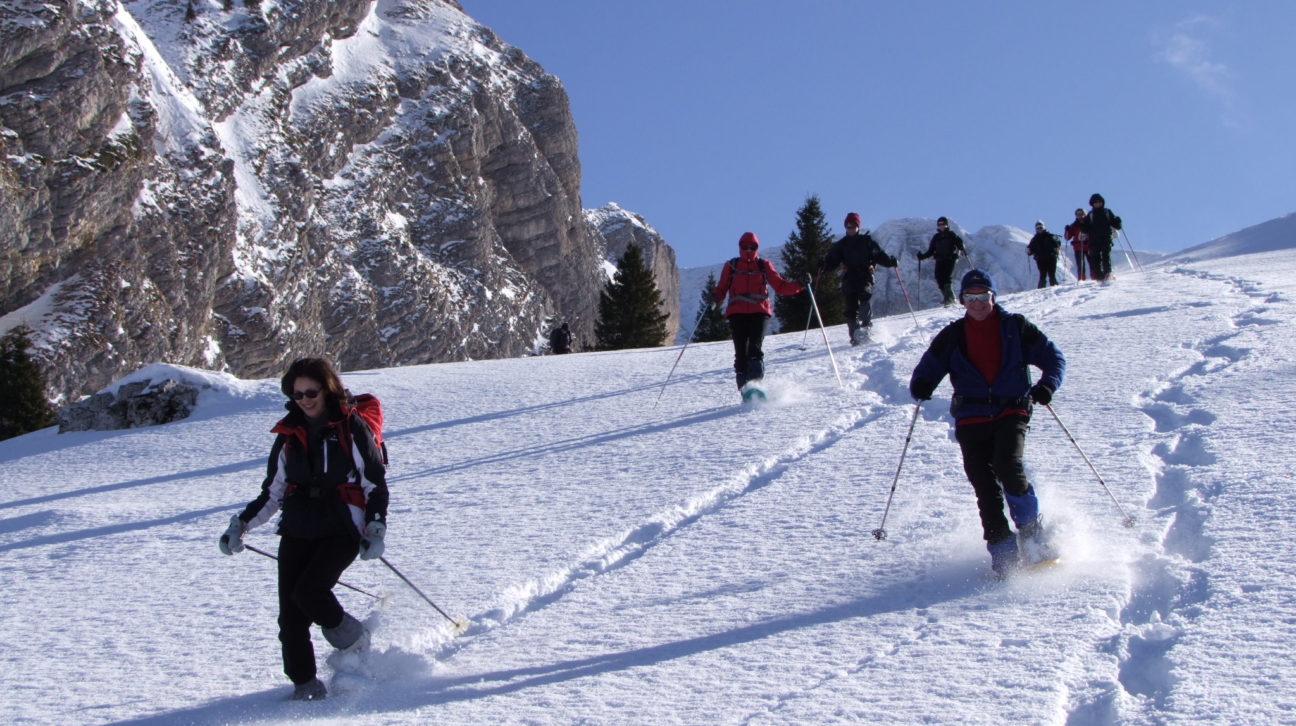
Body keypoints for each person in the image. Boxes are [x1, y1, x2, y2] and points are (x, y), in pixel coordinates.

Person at [218, 357, 389, 701]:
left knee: (310, 592)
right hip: (297, 526)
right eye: (298, 394)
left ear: (327, 389)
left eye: (311, 391)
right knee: (291, 617)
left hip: (342, 524)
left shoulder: (349, 427)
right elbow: (273, 491)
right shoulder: (288, 434)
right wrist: (241, 525)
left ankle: (353, 638)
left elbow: (374, 483)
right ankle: (305, 686)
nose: (305, 399)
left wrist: (375, 527)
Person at [908, 269, 1066, 578]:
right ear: (963, 301)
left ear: (993, 296)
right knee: (984, 485)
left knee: (1008, 465)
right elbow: (928, 367)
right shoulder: (952, 335)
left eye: (983, 296)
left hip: (1012, 410)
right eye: (971, 297)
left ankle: (1032, 534)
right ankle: (1003, 552)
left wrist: (1047, 385)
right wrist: (922, 384)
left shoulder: (1016, 328)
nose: (978, 303)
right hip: (971, 416)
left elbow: (1054, 358)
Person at [713, 232, 804, 390]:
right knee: (740, 353)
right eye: (745, 247)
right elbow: (721, 288)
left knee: (754, 347)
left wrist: (800, 284)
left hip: (759, 312)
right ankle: (745, 389)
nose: (748, 250)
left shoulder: (764, 265)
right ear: (740, 247)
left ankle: (755, 385)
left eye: (752, 247)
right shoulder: (731, 266)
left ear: (757, 247)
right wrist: (714, 298)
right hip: (737, 313)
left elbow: (780, 286)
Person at [818, 212, 898, 345]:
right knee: (850, 308)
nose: (851, 229)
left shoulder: (867, 242)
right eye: (848, 226)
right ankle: (855, 336)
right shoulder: (841, 245)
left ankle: (867, 330)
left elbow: (879, 255)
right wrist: (824, 266)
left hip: (865, 275)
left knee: (864, 297)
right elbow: (832, 261)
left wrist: (891, 261)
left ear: (858, 227)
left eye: (853, 226)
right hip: (850, 277)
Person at [916, 216, 966, 305]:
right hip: (939, 259)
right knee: (939, 278)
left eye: (943, 224)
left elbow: (959, 243)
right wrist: (922, 256)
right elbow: (931, 251)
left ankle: (950, 298)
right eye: (939, 224)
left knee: (946, 277)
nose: (941, 226)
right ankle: (947, 297)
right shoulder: (936, 237)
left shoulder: (951, 234)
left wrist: (961, 247)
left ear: (947, 225)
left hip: (950, 258)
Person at [1083, 193, 1122, 282]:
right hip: (1094, 240)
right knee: (1095, 258)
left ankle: (1107, 273)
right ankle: (1099, 276)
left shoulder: (1107, 212)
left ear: (1102, 202)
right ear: (1092, 204)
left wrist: (1118, 222)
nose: (1097, 204)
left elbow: (1116, 225)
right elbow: (1086, 228)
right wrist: (1084, 228)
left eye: (1099, 202)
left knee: (1105, 256)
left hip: (1106, 238)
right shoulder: (1090, 215)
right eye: (1095, 202)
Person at [1026, 220, 1062, 288]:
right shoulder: (1034, 239)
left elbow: (1058, 244)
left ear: (1044, 228)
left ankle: (1054, 288)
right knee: (1042, 275)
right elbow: (1030, 250)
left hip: (1051, 257)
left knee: (1052, 274)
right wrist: (1028, 250)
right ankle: (1042, 290)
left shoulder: (1050, 236)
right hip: (1040, 259)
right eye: (1038, 228)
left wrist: (1056, 242)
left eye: (1041, 227)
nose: (1039, 229)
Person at [1063, 208, 1089, 281]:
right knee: (1080, 265)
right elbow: (1067, 237)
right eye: (1078, 214)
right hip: (1078, 247)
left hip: (1088, 246)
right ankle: (1081, 280)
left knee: (1093, 263)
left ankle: (1095, 278)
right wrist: (1067, 230)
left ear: (1085, 214)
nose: (1080, 216)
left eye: (1081, 214)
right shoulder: (1074, 225)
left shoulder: (1089, 223)